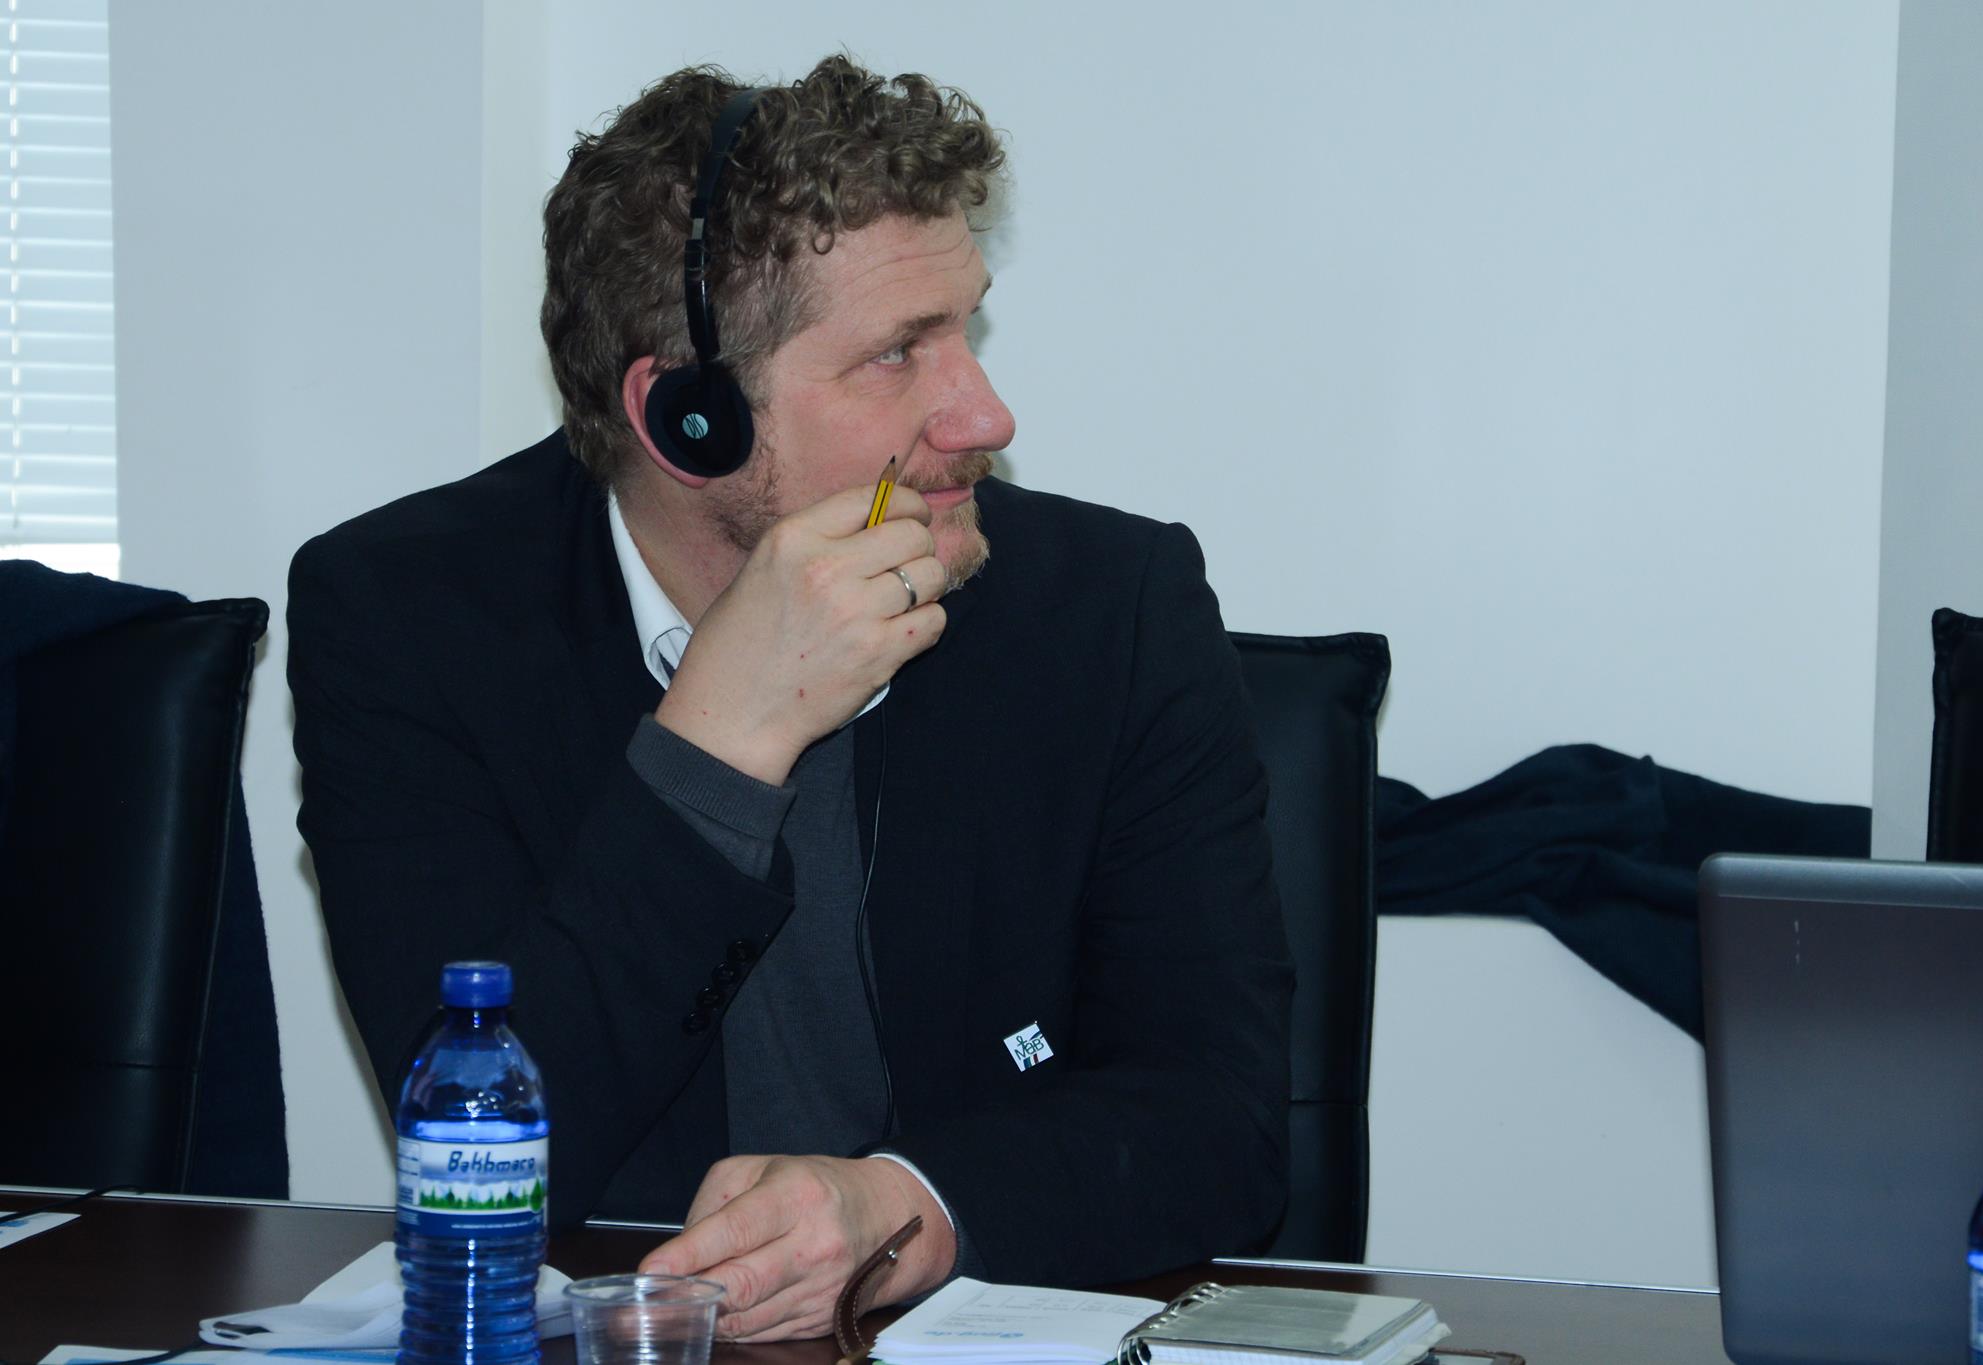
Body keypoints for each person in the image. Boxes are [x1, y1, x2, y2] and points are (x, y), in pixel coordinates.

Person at [288, 54, 1290, 1342]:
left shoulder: (1109, 608)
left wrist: (912, 1206)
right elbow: (500, 1160)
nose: (984, 414)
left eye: (965, 330)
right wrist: (720, 742)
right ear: (687, 419)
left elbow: (1223, 1123)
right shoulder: (408, 618)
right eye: (897, 354)